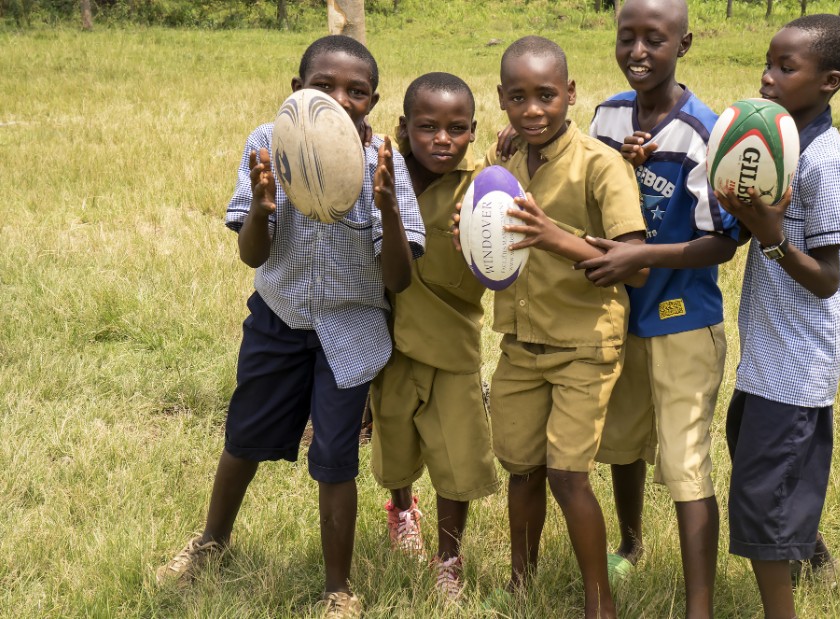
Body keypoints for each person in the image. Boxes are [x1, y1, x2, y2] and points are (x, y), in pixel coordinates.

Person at [154, 35, 425, 619]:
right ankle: (211, 543)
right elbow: (253, 256)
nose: (340, 99)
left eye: (356, 92)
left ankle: (337, 589)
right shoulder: (265, 144)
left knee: (335, 457)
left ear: (372, 102)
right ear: (297, 90)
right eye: (324, 86)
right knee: (243, 438)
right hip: (279, 320)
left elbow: (398, 280)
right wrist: (262, 207)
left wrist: (389, 212)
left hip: (350, 330)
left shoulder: (385, 160)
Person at [574, 1, 743, 617]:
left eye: (655, 39)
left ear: (684, 44)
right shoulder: (608, 114)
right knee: (620, 440)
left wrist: (634, 259)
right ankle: (631, 541)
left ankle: (699, 602)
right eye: (627, 38)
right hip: (616, 315)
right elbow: (583, 178)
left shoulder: (705, 131)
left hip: (682, 316)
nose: (638, 52)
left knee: (684, 459)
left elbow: (722, 242)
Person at [473, 35, 648, 619]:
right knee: (522, 471)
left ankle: (600, 603)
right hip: (519, 346)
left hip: (583, 344)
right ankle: (522, 587)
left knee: (568, 476)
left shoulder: (601, 165)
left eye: (546, 95)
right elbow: (487, 238)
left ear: (570, 94)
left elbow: (636, 264)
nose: (533, 109)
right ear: (500, 99)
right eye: (518, 97)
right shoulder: (504, 165)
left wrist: (554, 238)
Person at [714, 14, 840, 619]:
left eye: (786, 67)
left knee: (761, 495)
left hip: (800, 357)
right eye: (768, 63)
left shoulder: (826, 162)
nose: (768, 77)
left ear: (828, 81)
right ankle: (815, 559)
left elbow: (828, 280)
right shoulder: (781, 145)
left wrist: (772, 236)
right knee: (760, 462)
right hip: (767, 352)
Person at [367, 71, 497, 601]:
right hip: (390, 343)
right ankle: (402, 512)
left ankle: (449, 557)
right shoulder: (380, 170)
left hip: (452, 346)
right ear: (404, 127)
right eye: (427, 127)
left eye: (457, 128)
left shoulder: (483, 183)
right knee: (395, 445)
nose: (442, 139)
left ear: (472, 131)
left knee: (457, 460)